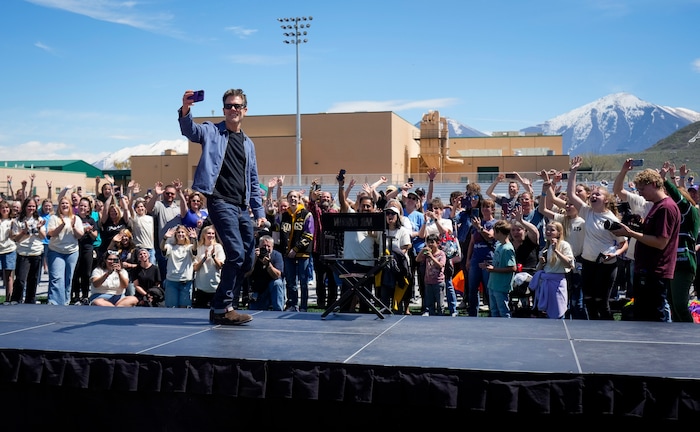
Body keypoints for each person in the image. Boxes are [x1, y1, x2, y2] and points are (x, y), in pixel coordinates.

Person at [178, 88, 264, 325]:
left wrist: (259, 212)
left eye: (237, 106)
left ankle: (226, 306)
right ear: (224, 109)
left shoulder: (248, 144)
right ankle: (222, 307)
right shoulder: (212, 131)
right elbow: (190, 130)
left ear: (245, 110)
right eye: (228, 106)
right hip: (219, 201)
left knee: (247, 260)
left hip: (241, 206)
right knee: (235, 253)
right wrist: (186, 109)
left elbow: (253, 180)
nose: (233, 110)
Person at [610, 167, 681, 322]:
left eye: (642, 189)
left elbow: (661, 242)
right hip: (646, 269)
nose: (640, 192)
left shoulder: (666, 207)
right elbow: (653, 235)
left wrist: (630, 233)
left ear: (655, 184)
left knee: (654, 316)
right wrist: (640, 226)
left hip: (655, 271)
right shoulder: (656, 206)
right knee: (643, 315)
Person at [568, 156, 628, 320]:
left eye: (597, 195)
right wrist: (574, 170)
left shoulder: (612, 220)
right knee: (588, 300)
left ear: (606, 200)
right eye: (592, 194)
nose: (593, 196)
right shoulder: (587, 212)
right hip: (588, 263)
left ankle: (607, 331)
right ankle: (593, 331)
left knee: (601, 302)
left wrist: (615, 254)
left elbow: (624, 243)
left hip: (606, 265)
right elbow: (570, 194)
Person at [530, 221, 575, 319]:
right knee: (545, 312)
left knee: (558, 310)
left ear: (559, 233)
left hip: (557, 283)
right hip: (546, 282)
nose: (549, 232)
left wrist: (556, 251)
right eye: (547, 229)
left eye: (552, 230)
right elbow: (538, 269)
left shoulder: (564, 245)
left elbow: (570, 264)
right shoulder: (545, 249)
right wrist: (541, 263)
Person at [279, 190, 314, 312]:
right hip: (288, 254)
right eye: (290, 197)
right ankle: (293, 304)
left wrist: (296, 249)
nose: (293, 199)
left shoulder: (307, 215)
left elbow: (309, 235)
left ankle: (303, 306)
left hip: (302, 253)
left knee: (303, 281)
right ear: (287, 199)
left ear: (299, 199)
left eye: (295, 196)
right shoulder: (284, 215)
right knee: (290, 281)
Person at [46, 196, 84, 305]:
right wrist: (62, 225)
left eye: (67, 203)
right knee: (57, 277)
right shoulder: (54, 218)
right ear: (59, 206)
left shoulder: (76, 219)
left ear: (70, 206)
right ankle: (54, 302)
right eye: (62, 203)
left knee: (68, 278)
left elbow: (79, 235)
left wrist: (73, 226)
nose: (64, 205)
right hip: (56, 251)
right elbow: (51, 233)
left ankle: (65, 301)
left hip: (71, 252)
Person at [307, 181, 339, 309]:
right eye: (323, 197)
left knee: (332, 279)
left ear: (331, 200)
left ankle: (332, 302)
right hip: (318, 249)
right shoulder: (317, 211)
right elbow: (311, 205)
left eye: (327, 197)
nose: (325, 199)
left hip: (333, 250)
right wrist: (312, 194)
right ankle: (321, 302)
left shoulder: (334, 212)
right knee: (320, 278)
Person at [464, 198, 498, 317]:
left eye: (487, 207)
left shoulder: (495, 223)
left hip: (488, 258)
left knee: (488, 289)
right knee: (472, 288)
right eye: (483, 207)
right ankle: (473, 313)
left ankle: (492, 312)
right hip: (476, 259)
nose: (485, 209)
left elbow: (490, 237)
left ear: (492, 209)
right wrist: (468, 259)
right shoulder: (476, 223)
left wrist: (480, 228)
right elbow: (472, 243)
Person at [10, 198, 46, 304]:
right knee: (21, 279)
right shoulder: (18, 221)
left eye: (33, 206)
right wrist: (24, 232)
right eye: (29, 206)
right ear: (24, 207)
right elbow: (16, 238)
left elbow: (43, 237)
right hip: (23, 253)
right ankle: (16, 299)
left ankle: (30, 300)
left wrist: (39, 229)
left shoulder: (39, 219)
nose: (31, 208)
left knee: (33, 279)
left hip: (36, 252)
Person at [146, 180, 183, 281]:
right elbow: (148, 209)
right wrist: (156, 195)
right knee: (164, 275)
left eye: (172, 193)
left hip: (177, 247)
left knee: (175, 275)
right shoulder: (159, 205)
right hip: (163, 247)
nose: (170, 195)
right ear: (164, 193)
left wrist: (180, 192)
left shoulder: (178, 208)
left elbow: (185, 212)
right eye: (167, 193)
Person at [480, 220, 516, 318]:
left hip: (501, 286)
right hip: (493, 284)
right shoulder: (499, 245)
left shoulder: (508, 248)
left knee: (503, 311)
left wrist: (494, 269)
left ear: (499, 233)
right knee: (494, 311)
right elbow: (498, 263)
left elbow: (512, 268)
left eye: (495, 232)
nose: (493, 234)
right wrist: (488, 265)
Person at [160, 225, 198, 308]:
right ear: (175, 235)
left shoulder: (189, 247)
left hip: (186, 281)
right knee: (171, 308)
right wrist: (165, 238)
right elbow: (162, 248)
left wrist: (195, 239)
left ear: (186, 234)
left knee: (184, 308)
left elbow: (195, 249)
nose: (181, 234)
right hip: (172, 281)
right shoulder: (170, 247)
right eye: (179, 232)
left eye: (182, 232)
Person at [70, 197, 99, 305]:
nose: (82, 207)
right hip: (76, 247)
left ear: (88, 208)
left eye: (85, 206)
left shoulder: (91, 220)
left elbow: (95, 235)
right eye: (81, 205)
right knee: (76, 272)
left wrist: (89, 230)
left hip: (87, 248)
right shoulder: (74, 218)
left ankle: (85, 295)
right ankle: (75, 295)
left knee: (86, 273)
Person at [246, 235, 285, 311]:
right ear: (258, 246)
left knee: (277, 283)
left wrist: (268, 265)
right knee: (254, 311)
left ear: (273, 247)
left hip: (271, 288)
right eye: (264, 246)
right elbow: (246, 274)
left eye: (268, 246)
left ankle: (279, 310)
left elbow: (277, 276)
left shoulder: (277, 255)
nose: (266, 249)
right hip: (258, 289)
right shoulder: (252, 255)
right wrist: (254, 260)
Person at [192, 225, 225, 309]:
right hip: (201, 287)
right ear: (204, 235)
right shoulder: (199, 248)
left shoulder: (218, 247)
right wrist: (204, 258)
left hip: (215, 286)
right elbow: (195, 268)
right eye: (209, 233)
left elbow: (220, 266)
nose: (211, 235)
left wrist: (214, 257)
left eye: (212, 233)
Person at [416, 233, 446, 316]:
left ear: (437, 243)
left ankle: (441, 318)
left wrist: (432, 257)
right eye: (428, 242)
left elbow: (441, 265)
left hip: (438, 282)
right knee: (430, 305)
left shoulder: (441, 254)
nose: (430, 244)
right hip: (428, 282)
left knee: (440, 304)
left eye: (432, 242)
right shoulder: (426, 253)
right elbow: (417, 259)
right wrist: (422, 250)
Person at [124, 197, 156, 265]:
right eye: (138, 207)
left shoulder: (150, 218)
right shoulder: (135, 218)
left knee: (152, 266)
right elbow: (129, 206)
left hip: (150, 248)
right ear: (135, 209)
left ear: (144, 208)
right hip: (139, 247)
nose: (140, 208)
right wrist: (133, 195)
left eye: (142, 206)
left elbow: (152, 232)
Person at [0, 201, 17, 302]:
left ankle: (8, 298)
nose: (5, 210)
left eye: (7, 208)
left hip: (9, 249)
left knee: (9, 275)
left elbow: (13, 235)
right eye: (2, 208)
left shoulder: (12, 221)